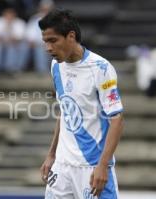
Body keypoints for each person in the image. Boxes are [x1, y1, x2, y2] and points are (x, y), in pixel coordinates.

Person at [39, 9, 124, 198]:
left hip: (92, 168)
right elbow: (65, 109)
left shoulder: (100, 68)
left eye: (53, 40)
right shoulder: (56, 66)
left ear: (71, 36)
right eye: (45, 41)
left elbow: (117, 119)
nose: (48, 48)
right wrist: (52, 154)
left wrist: (103, 165)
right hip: (62, 167)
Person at [0, 8, 28, 73]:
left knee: (18, 46)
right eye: (7, 15)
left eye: (11, 15)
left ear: (15, 15)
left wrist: (10, 38)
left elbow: (20, 37)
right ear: (4, 15)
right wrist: (2, 40)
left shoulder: (20, 22)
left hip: (14, 43)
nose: (9, 16)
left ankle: (12, 68)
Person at [26, 0, 53, 73]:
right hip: (39, 44)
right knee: (39, 48)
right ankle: (42, 72)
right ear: (40, 9)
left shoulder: (57, 19)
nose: (45, 11)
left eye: (48, 9)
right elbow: (30, 36)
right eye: (44, 9)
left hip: (53, 44)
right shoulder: (35, 19)